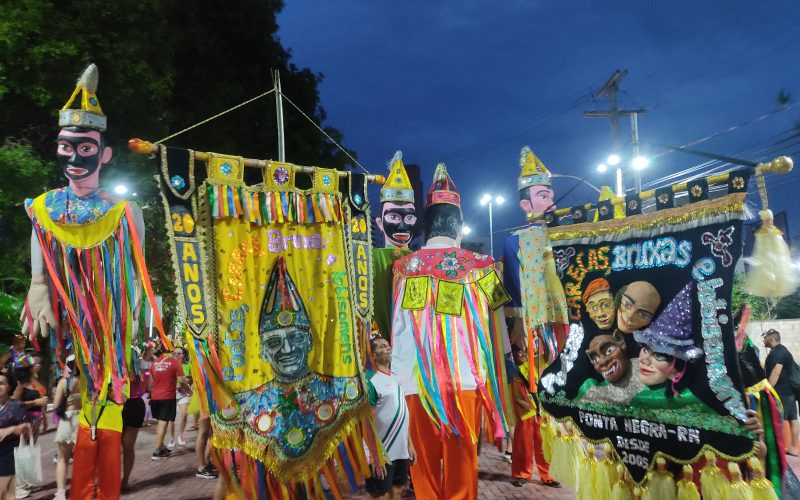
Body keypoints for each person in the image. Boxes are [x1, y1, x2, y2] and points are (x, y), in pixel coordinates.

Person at [391, 163, 512, 499]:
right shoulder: (483, 266)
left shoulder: (403, 268)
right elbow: (500, 320)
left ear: (426, 227)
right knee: (462, 467)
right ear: (459, 225)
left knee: (424, 468)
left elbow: (398, 329)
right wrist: (504, 372)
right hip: (467, 382)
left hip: (413, 385)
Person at [365, 336, 415, 499]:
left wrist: (410, 444)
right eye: (381, 346)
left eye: (388, 345)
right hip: (382, 450)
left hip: (401, 449)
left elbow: (402, 412)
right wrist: (373, 452)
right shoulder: (370, 380)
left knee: (398, 488)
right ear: (373, 355)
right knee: (379, 494)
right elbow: (366, 420)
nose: (387, 348)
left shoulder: (395, 377)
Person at [508, 345, 558, 488]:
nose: (522, 354)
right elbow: (509, 392)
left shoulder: (532, 363)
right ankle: (521, 474)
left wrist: (542, 336)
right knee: (523, 446)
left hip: (540, 413)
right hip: (524, 414)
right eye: (519, 352)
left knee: (544, 446)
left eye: (523, 351)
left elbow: (547, 354)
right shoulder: (510, 371)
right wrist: (520, 402)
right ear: (512, 355)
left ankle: (547, 475)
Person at [763, 328, 799, 455]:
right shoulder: (781, 350)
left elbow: (776, 372)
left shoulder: (779, 352)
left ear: (772, 339)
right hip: (788, 391)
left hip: (783, 392)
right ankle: (793, 447)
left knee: (780, 419)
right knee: (792, 418)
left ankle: (780, 448)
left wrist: (767, 389)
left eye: (765, 337)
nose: (764, 339)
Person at [52, 355, 80, 500]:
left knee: (63, 458)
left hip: (66, 420)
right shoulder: (87, 381)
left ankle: (61, 493)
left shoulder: (63, 382)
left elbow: (55, 406)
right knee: (81, 459)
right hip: (82, 420)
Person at [150, 348, 186, 460]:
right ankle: (157, 450)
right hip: (167, 396)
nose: (176, 355)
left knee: (161, 422)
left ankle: (161, 446)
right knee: (163, 423)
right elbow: (181, 380)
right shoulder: (174, 363)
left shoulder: (154, 363)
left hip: (155, 397)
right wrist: (188, 390)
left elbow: (150, 384)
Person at [0, 372, 32, 500]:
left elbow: (27, 428)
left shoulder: (16, 406)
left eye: (2, 383)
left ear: (9, 386)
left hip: (8, 457)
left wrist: (12, 429)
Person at [121, 353, 148, 490]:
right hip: (136, 405)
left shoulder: (118, 369)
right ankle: (124, 480)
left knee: (115, 446)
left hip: (120, 406)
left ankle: (117, 479)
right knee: (128, 447)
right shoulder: (140, 371)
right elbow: (146, 388)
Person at [173, 346, 192, 447]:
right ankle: (171, 438)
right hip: (171, 392)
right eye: (174, 353)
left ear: (184, 355)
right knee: (170, 418)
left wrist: (186, 380)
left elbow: (191, 378)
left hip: (184, 393)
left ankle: (180, 435)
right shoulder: (170, 364)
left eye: (179, 353)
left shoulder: (188, 365)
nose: (176, 355)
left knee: (184, 414)